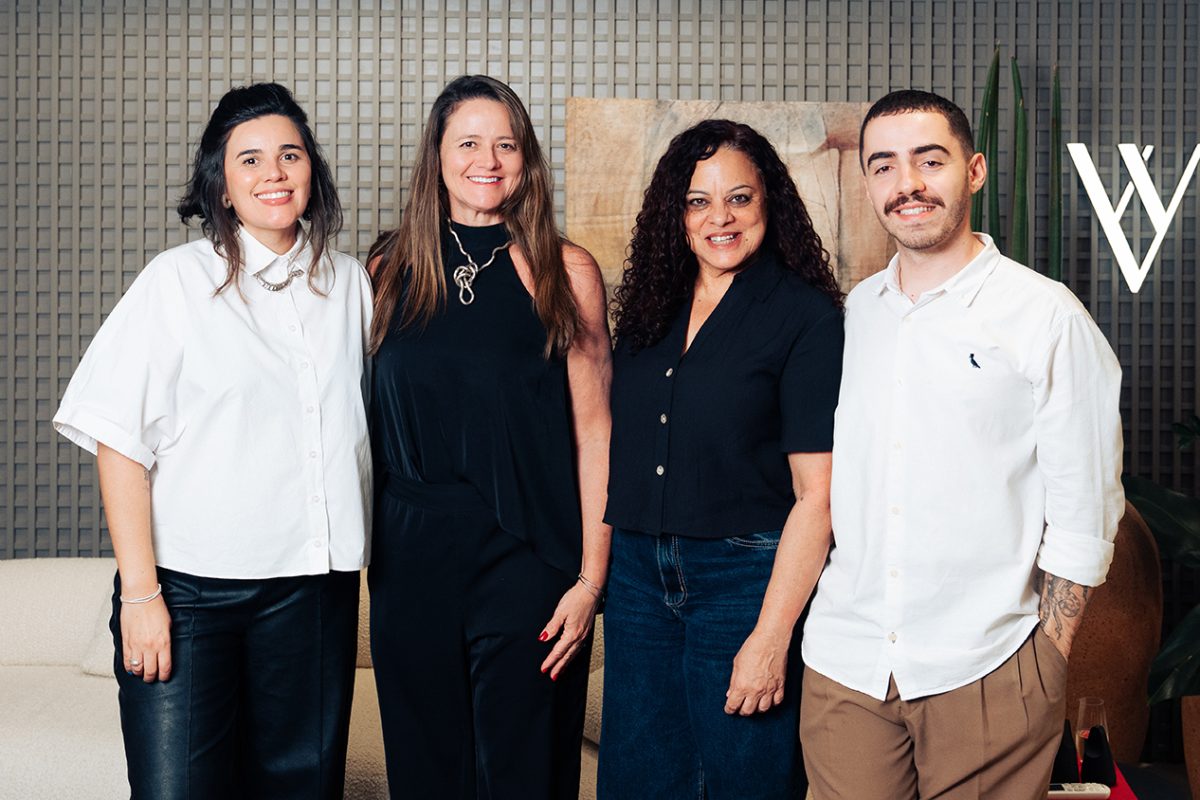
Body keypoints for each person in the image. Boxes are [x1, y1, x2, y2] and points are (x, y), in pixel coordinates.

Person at [799, 90, 1124, 800]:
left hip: (988, 665)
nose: (907, 183)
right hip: (847, 663)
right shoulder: (852, 316)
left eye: (930, 160)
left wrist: (1047, 659)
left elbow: (1085, 509)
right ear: (868, 183)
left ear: (974, 171)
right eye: (884, 165)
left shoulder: (1046, 317)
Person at [52, 82, 372, 799]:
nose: (273, 173)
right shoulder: (175, 282)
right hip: (190, 596)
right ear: (221, 187)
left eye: (290, 155)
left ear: (312, 170)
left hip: (313, 595)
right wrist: (141, 597)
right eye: (249, 159)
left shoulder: (350, 283)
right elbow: (119, 443)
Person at [366, 74, 612, 799]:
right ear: (437, 156)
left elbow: (597, 434)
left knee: (523, 774)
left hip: (528, 557)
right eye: (469, 142)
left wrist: (590, 582)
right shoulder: (386, 269)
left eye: (507, 144)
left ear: (526, 159)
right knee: (425, 773)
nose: (488, 160)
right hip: (410, 559)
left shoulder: (567, 271)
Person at [598, 119, 845, 799]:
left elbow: (817, 494)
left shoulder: (806, 317)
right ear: (675, 214)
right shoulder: (651, 306)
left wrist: (772, 635)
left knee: (744, 779)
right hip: (637, 577)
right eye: (698, 201)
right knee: (638, 781)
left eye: (739, 198)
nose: (720, 218)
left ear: (770, 202)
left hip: (744, 576)